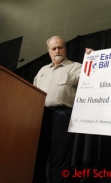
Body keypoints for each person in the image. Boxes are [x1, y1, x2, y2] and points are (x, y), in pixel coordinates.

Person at [33, 35, 93, 183]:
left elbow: (92, 77)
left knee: (59, 160)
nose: (57, 51)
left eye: (60, 47)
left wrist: (92, 60)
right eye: (54, 48)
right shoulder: (42, 71)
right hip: (40, 117)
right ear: (49, 52)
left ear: (65, 49)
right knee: (37, 158)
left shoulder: (75, 67)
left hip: (62, 116)